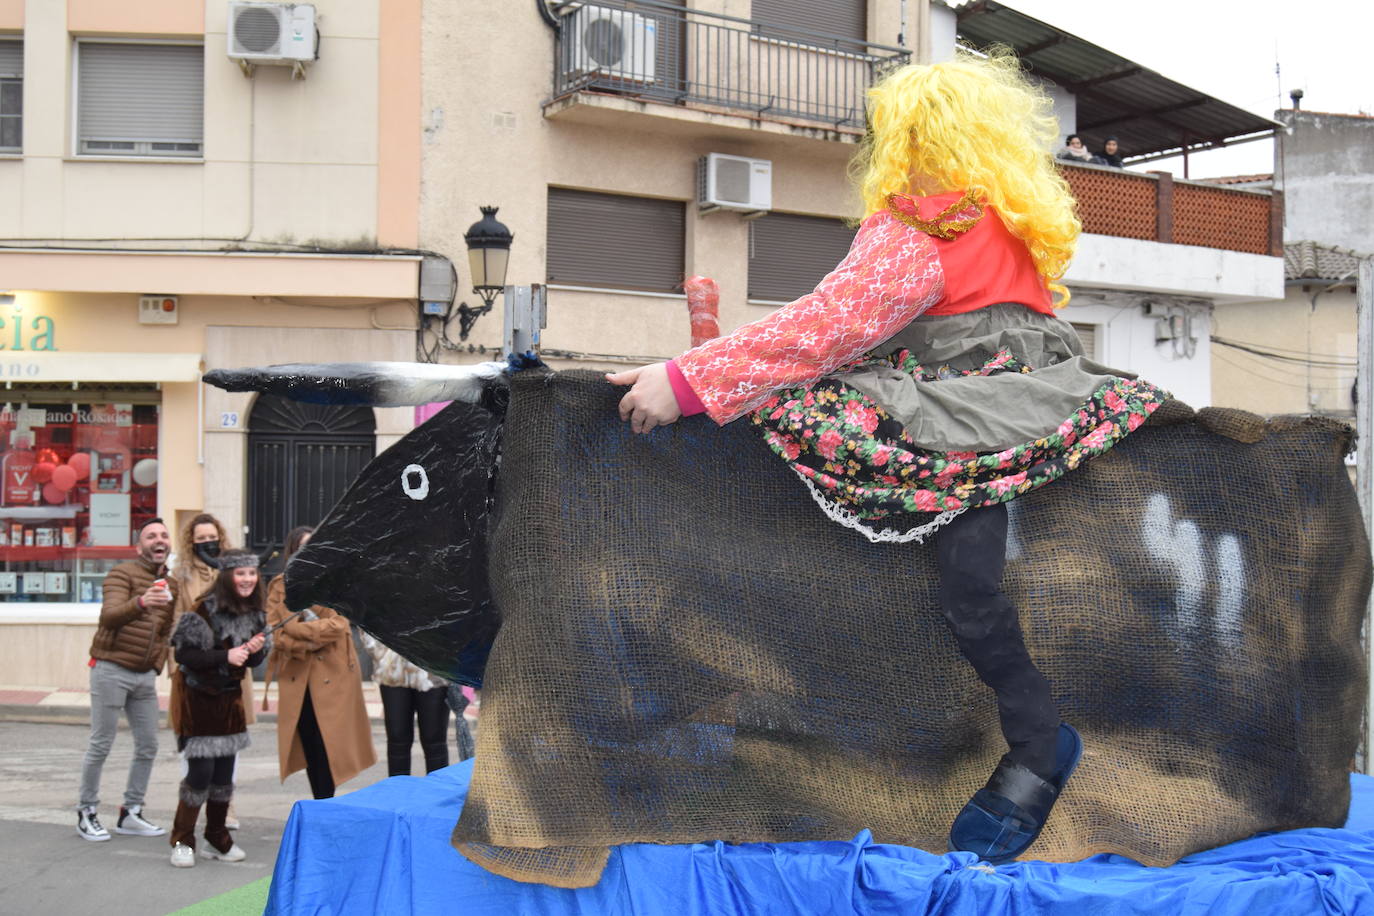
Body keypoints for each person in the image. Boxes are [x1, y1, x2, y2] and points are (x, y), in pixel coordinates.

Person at [608, 52, 1167, 865]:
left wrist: (688, 380)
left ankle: (1031, 742)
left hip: (951, 415)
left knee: (930, 552)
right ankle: (1029, 739)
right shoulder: (1011, 228)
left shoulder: (922, 224)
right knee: (972, 588)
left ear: (902, 139)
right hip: (1035, 409)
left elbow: (827, 325)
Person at [77, 517, 180, 842]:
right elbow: (108, 616)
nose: (159, 540)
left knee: (148, 745)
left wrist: (155, 666)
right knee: (101, 743)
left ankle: (130, 812)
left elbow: (164, 632)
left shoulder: (171, 584)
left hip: (143, 676)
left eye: (164, 535)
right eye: (151, 536)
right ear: (140, 546)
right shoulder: (122, 573)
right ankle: (87, 811)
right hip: (111, 669)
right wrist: (141, 602)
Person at [166, 549, 268, 867]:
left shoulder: (255, 614)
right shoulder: (202, 610)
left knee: (224, 775)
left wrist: (255, 651)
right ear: (227, 577)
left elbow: (250, 660)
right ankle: (182, 840)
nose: (248, 579)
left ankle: (216, 837)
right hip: (198, 701)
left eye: (252, 574)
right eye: (240, 573)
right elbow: (184, 656)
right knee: (200, 774)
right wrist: (226, 656)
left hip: (230, 702)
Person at [265, 525, 376, 799]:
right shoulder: (280, 585)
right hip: (297, 674)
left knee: (331, 743)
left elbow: (338, 625)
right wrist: (302, 635)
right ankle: (320, 800)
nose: (308, 552)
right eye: (302, 546)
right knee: (309, 741)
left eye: (313, 545)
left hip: (333, 675)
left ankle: (325, 802)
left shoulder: (335, 582)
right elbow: (276, 634)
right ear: (292, 551)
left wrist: (295, 630)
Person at [361, 633, 450, 776]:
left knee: (435, 741)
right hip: (393, 669)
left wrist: (445, 656)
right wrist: (380, 654)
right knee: (397, 740)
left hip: (433, 670)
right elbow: (368, 616)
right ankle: (398, 795)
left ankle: (438, 795)